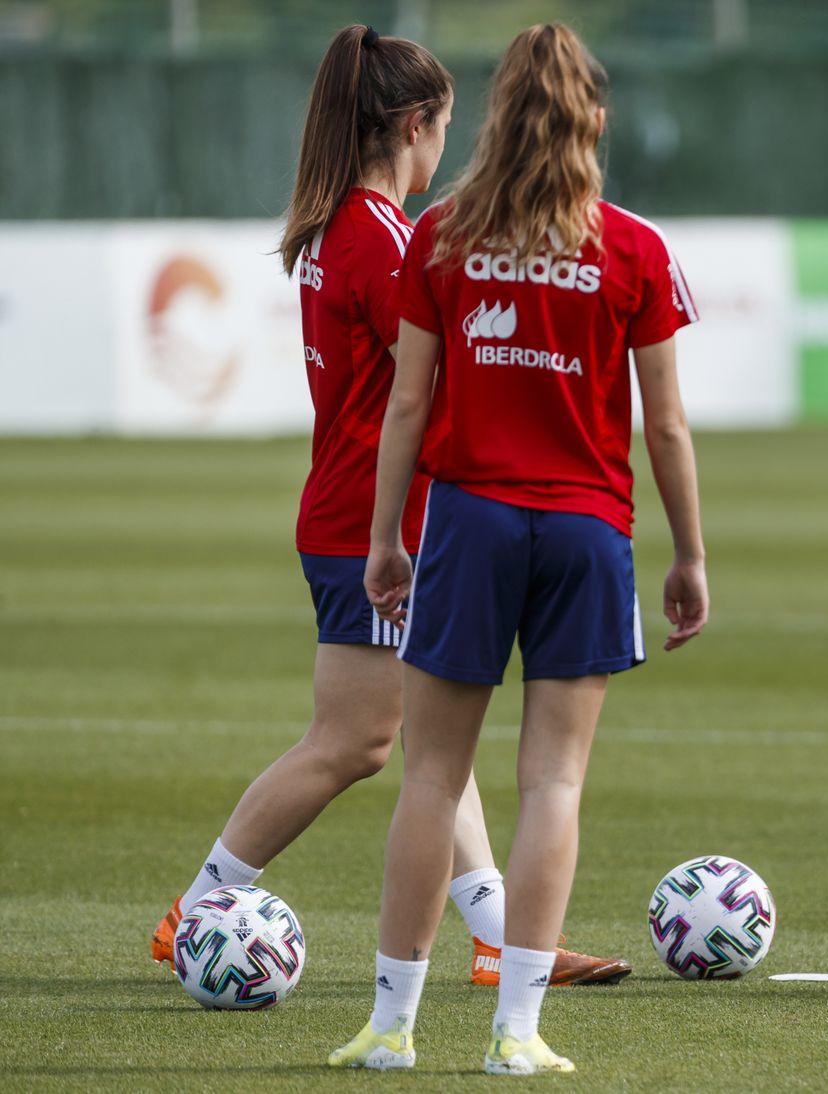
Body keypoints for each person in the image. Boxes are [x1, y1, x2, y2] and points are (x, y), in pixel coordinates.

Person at [149, 24, 629, 991]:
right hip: (379, 524)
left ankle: (499, 937)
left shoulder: (341, 230)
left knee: (426, 734)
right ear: (415, 124)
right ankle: (197, 911)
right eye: (444, 126)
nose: (446, 145)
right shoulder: (386, 242)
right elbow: (433, 390)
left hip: (350, 509)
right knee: (357, 741)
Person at [327, 23, 708, 1074]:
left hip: (470, 520)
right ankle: (517, 1034)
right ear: (594, 116)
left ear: (496, 113)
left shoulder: (441, 233)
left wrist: (382, 538)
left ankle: (391, 1026)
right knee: (553, 784)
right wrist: (690, 554)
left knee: (430, 779)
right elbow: (665, 424)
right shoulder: (633, 245)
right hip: (587, 529)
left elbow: (408, 402)